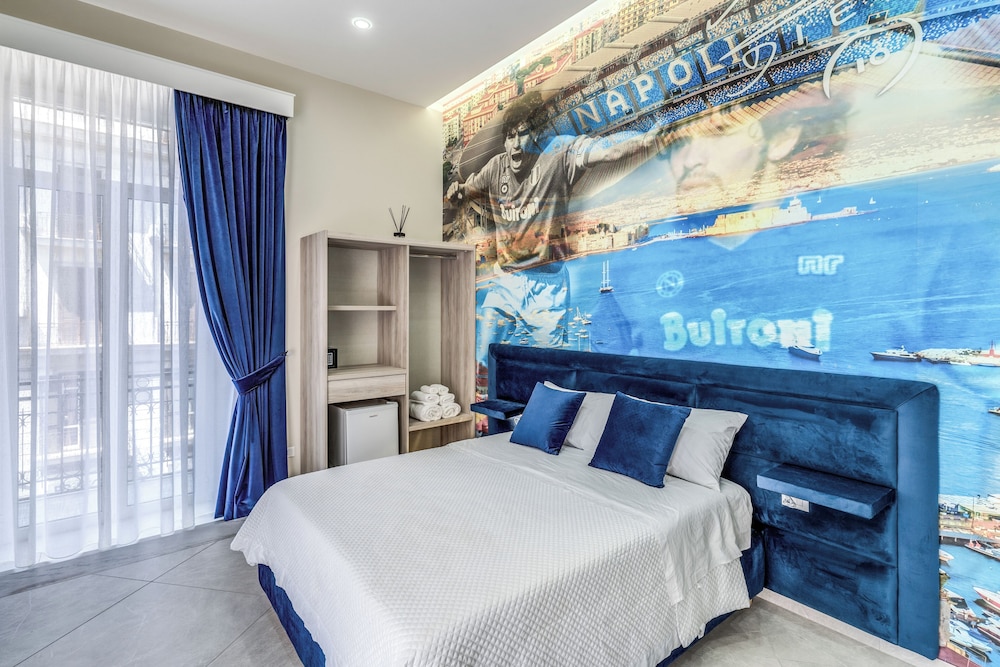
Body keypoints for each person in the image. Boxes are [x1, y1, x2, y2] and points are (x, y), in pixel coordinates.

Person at [446, 91, 666, 362]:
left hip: (547, 288)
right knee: (482, 356)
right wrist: (457, 192)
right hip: (506, 280)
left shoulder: (558, 153)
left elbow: (607, 149)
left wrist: (644, 140)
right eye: (511, 137)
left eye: (523, 135)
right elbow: (466, 190)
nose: (516, 145)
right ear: (504, 141)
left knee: (550, 365)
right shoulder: (496, 168)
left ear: (536, 136)